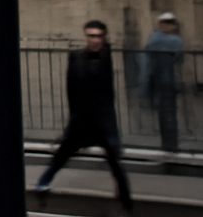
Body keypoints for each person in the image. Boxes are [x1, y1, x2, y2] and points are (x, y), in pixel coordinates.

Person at [34, 20, 133, 212]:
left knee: (116, 164)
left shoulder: (105, 57)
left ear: (104, 38)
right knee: (61, 157)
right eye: (91, 36)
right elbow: (71, 89)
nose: (94, 40)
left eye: (98, 36)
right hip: (82, 120)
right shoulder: (77, 57)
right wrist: (73, 120)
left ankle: (126, 203)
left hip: (103, 122)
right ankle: (41, 185)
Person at [140, 12, 183, 152]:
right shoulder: (170, 40)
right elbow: (178, 53)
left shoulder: (154, 39)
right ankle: (170, 144)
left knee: (165, 113)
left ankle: (169, 143)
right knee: (168, 113)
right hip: (165, 80)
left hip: (159, 79)